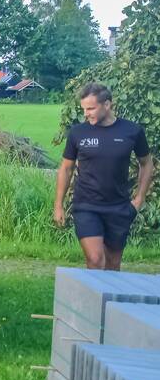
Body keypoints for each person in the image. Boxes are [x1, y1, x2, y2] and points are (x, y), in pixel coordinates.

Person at [54, 83, 153, 270]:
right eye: (84, 109)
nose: (86, 113)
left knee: (113, 263)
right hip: (86, 205)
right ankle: (91, 300)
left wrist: (139, 199)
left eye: (90, 108)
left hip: (119, 207)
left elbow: (147, 164)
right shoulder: (78, 133)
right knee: (95, 259)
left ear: (107, 105)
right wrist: (58, 205)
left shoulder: (132, 131)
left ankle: (108, 300)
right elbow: (66, 169)